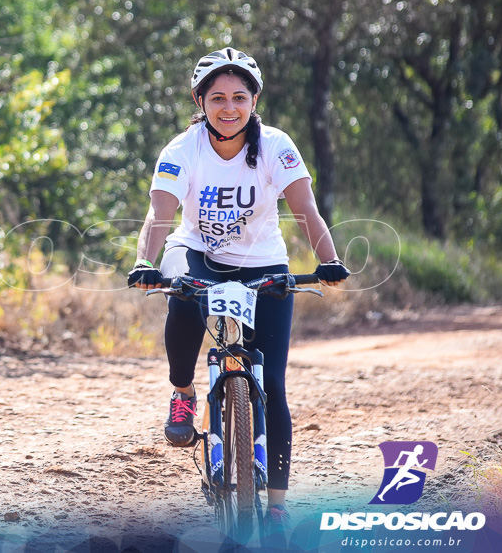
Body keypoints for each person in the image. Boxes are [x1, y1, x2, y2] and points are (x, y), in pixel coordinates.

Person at [127, 47, 349, 527]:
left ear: (254, 101)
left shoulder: (276, 145)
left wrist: (328, 260)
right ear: (199, 100)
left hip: (262, 261)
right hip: (197, 253)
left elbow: (305, 210)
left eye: (239, 98)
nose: (229, 108)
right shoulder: (181, 150)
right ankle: (183, 391)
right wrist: (145, 261)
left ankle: (276, 506)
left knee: (273, 385)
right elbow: (160, 214)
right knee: (182, 292)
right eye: (218, 98)